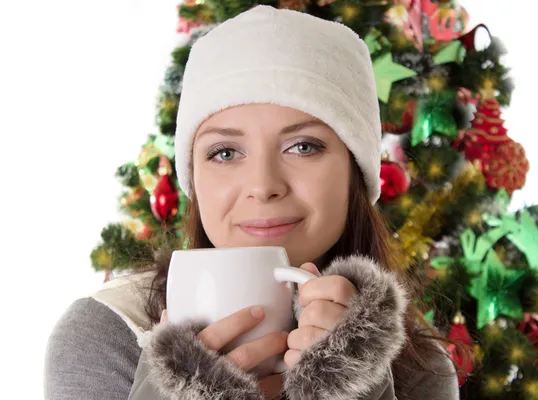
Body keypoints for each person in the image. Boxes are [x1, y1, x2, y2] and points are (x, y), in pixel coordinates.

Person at [44, 5, 459, 400]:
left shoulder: (419, 367)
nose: (262, 186)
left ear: (357, 171)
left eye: (303, 146)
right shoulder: (107, 333)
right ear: (195, 179)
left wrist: (356, 384)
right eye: (225, 152)